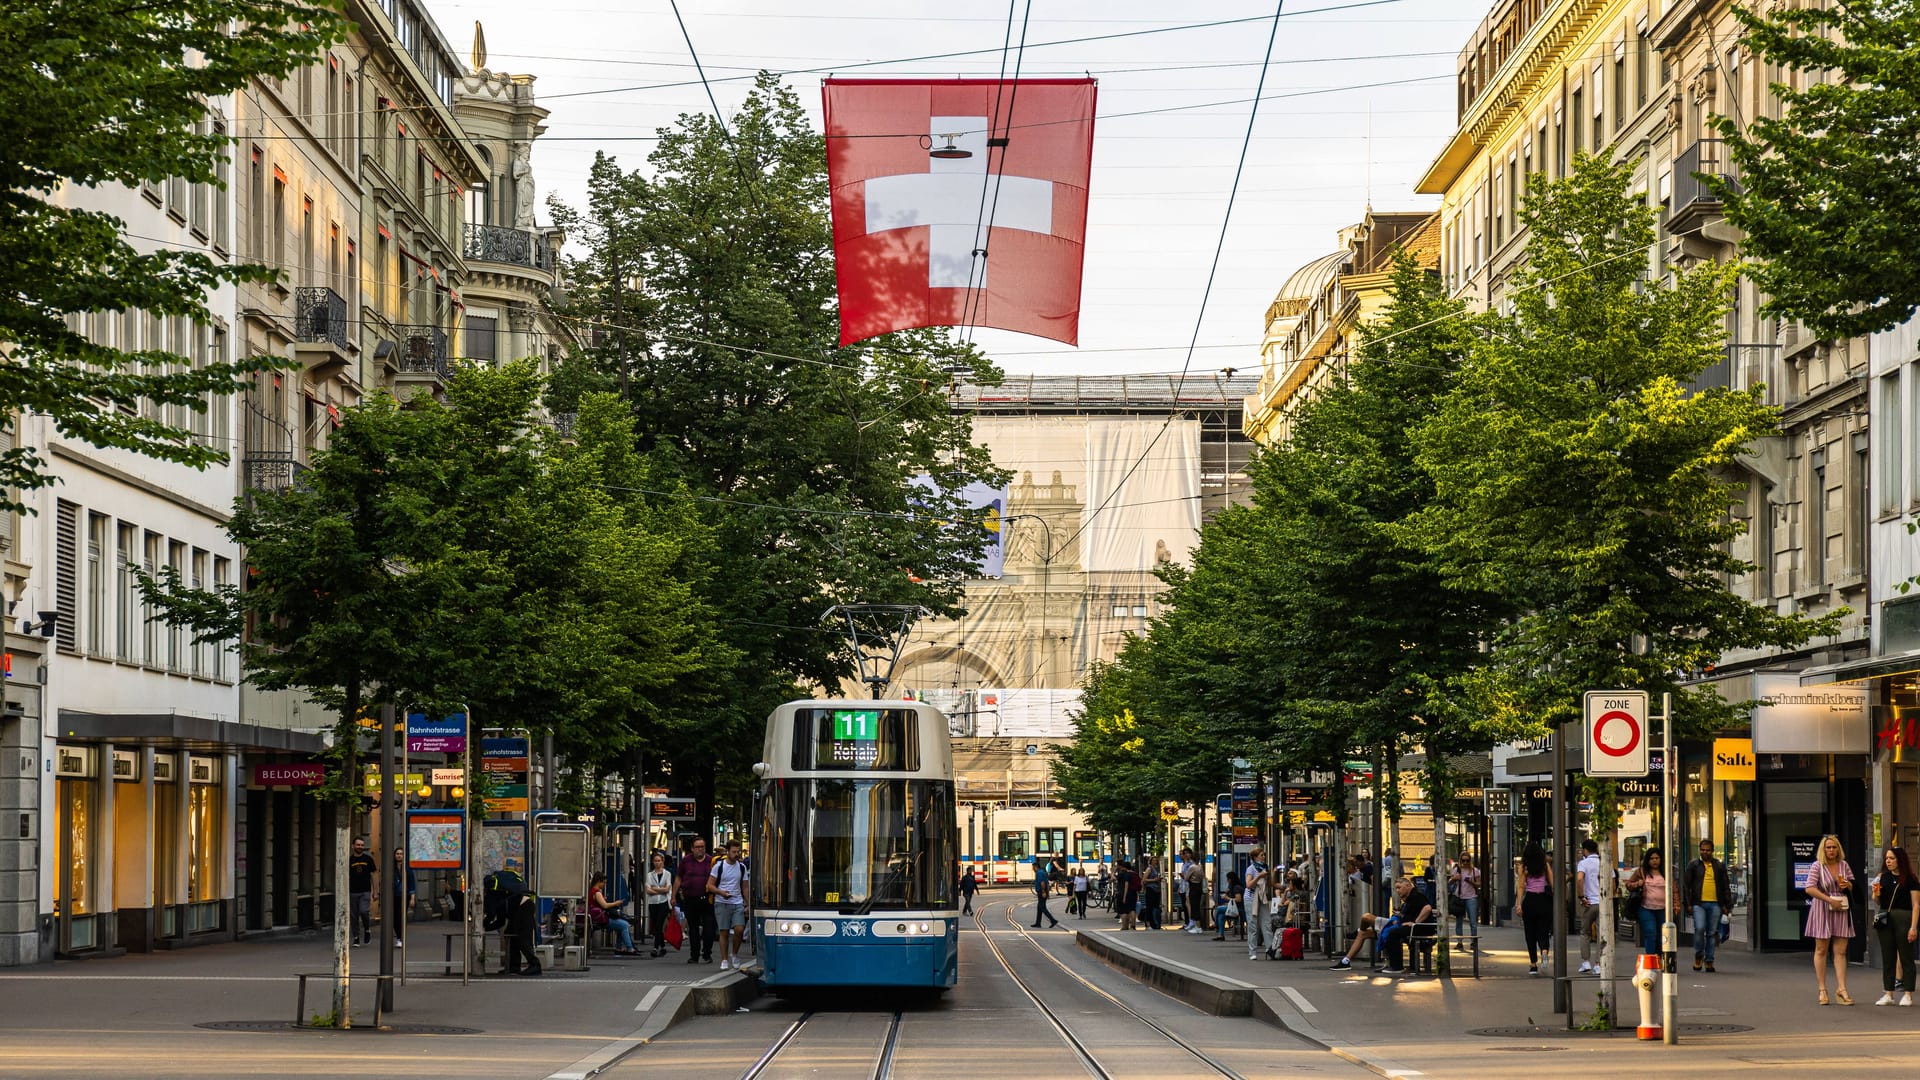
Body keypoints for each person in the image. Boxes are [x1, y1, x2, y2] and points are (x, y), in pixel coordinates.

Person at [1804, 834, 1856, 1005]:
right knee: (1821, 950)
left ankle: (1842, 989)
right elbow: (1809, 889)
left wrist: (1847, 885)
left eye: (1834, 847)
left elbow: (1852, 885)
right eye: (1828, 847)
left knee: (1841, 951)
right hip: (1823, 908)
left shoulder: (1844, 865)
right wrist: (1828, 899)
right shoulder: (1817, 866)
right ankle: (1822, 989)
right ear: (1823, 849)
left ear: (1838, 849)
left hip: (1841, 908)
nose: (1831, 850)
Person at [1872, 846, 1919, 1006]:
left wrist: (1913, 927)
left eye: (1892, 858)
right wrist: (1875, 893)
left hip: (1904, 917)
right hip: (1886, 918)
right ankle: (1888, 992)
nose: (1888, 861)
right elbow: (1878, 901)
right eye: (1887, 858)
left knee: (1906, 956)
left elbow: (1916, 904)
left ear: (1900, 860)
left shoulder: (1911, 879)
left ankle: (1908, 993)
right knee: (1888, 956)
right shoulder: (1882, 877)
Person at [483, 866, 540, 976]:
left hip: (523, 908)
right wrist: (485, 927)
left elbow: (491, 915)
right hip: (524, 906)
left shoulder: (492, 896)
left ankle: (535, 965)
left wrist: (482, 926)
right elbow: (501, 921)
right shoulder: (501, 894)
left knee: (522, 937)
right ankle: (513, 967)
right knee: (510, 933)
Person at [1685, 839, 1732, 973]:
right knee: (1699, 929)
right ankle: (1699, 954)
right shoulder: (1693, 865)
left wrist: (1727, 905)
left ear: (1712, 851)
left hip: (1715, 903)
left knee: (1712, 933)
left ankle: (1709, 960)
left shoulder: (1719, 866)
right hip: (1698, 903)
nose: (1705, 852)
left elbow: (1725, 886)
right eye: (1702, 850)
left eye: (1707, 850)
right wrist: (1688, 904)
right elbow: (1686, 886)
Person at [1380, 876, 1435, 975]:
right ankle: (1391, 963)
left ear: (1408, 885)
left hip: (1422, 928)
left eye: (1399, 887)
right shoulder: (1409, 898)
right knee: (1390, 931)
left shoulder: (1416, 896)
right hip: (1416, 927)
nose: (1397, 891)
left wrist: (1415, 922)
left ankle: (1397, 966)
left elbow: (1427, 908)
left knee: (1392, 934)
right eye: (1396, 888)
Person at [675, 838, 717, 964]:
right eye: (697, 847)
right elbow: (678, 878)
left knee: (709, 927)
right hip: (690, 899)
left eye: (702, 847)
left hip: (707, 899)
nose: (700, 849)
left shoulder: (711, 861)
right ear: (692, 848)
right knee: (693, 928)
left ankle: (707, 953)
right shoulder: (686, 861)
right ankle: (694, 955)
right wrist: (673, 896)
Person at [710, 840, 749, 970]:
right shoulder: (719, 867)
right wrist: (721, 892)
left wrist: (748, 903)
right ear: (727, 851)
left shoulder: (742, 867)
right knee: (724, 932)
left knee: (739, 929)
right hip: (722, 902)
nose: (737, 854)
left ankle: (734, 954)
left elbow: (745, 887)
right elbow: (710, 885)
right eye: (734, 852)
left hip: (737, 901)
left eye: (738, 852)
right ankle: (724, 959)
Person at [1625, 847, 1667, 959]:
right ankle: (1650, 960)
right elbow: (1628, 885)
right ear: (1647, 860)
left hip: (1663, 909)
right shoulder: (1641, 872)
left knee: (1661, 937)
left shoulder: (1667, 871)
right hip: (1646, 907)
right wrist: (1638, 884)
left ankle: (1659, 959)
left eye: (1657, 858)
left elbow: (1675, 890)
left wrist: (1676, 906)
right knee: (1651, 933)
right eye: (1652, 858)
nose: (1654, 861)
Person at [1519, 841, 1553, 975]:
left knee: (1530, 933)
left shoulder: (1524, 867)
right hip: (1544, 900)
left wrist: (1518, 904)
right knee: (1543, 930)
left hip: (1530, 900)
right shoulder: (1545, 866)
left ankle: (1533, 964)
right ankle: (1544, 951)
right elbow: (1552, 883)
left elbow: (1521, 886)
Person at [589, 871, 637, 955]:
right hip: (601, 919)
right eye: (603, 883)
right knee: (624, 925)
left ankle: (619, 947)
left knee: (620, 926)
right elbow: (605, 906)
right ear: (598, 881)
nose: (604, 885)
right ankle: (630, 948)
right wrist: (616, 903)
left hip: (595, 917)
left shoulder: (591, 891)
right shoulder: (597, 892)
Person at [1575, 839, 1603, 974]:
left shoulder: (1583, 863)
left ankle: (1586, 962)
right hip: (1602, 903)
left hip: (1589, 903)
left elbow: (1580, 879)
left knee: (1585, 932)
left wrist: (1581, 897)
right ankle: (1599, 964)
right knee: (1601, 934)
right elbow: (1613, 882)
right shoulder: (1604, 862)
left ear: (1585, 850)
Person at [347, 838, 377, 947]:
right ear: (353, 846)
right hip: (352, 891)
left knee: (364, 911)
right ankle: (356, 937)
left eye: (362, 845)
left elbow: (373, 875)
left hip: (365, 891)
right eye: (358, 845)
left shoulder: (368, 859)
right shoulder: (349, 860)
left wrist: (375, 891)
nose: (360, 847)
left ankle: (367, 929)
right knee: (353, 916)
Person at [643, 850, 673, 956]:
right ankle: (663, 946)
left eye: (659, 861)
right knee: (656, 925)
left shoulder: (667, 874)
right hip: (653, 903)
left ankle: (655, 948)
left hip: (664, 902)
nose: (657, 863)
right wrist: (660, 889)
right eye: (655, 861)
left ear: (663, 862)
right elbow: (648, 890)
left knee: (659, 924)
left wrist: (655, 889)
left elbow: (667, 889)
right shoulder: (650, 875)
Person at [1449, 853, 1481, 948]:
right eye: (1463, 860)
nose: (1465, 862)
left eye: (1467, 860)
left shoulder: (1475, 871)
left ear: (1470, 861)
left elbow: (1479, 884)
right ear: (1460, 860)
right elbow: (1449, 882)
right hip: (1459, 898)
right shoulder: (1456, 870)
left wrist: (1471, 881)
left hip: (1471, 898)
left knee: (1473, 922)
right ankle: (1459, 942)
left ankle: (1473, 942)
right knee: (1459, 921)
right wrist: (1454, 878)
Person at [1244, 849, 1271, 959]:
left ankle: (1270, 949)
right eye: (1261, 855)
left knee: (1267, 923)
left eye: (1264, 855)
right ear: (1255, 857)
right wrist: (1259, 876)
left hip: (1262, 897)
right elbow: (1249, 884)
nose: (1264, 857)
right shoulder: (1251, 869)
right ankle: (1252, 952)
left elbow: (1269, 884)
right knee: (1252, 925)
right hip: (1251, 898)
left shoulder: (1265, 868)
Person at [390, 847, 415, 950]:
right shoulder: (391, 867)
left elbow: (412, 884)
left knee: (401, 917)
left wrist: (412, 898)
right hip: (393, 896)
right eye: (397, 854)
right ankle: (399, 936)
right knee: (394, 918)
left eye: (401, 854)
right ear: (394, 855)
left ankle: (400, 938)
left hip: (404, 896)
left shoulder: (408, 868)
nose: (399, 855)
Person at [1032, 856, 1061, 929]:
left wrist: (1044, 892)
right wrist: (1047, 893)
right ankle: (1038, 923)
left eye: (1033, 868)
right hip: (1043, 892)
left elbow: (1042, 883)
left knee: (1043, 908)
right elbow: (1047, 883)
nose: (1032, 869)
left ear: (1036, 867)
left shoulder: (1039, 873)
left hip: (1041, 892)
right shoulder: (1042, 872)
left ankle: (1053, 920)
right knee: (1039, 908)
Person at [1115, 861, 1140, 931]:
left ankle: (1126, 926)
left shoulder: (1126, 874)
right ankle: (1133, 925)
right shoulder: (1135, 874)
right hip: (1134, 893)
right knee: (1132, 909)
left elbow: (1126, 885)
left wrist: (1124, 897)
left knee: (1125, 910)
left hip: (1127, 893)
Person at [1142, 857, 1164, 930]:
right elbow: (1144, 880)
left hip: (1156, 890)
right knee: (1149, 907)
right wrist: (1153, 880)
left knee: (1156, 907)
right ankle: (1148, 924)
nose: (1155, 862)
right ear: (1150, 861)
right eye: (1153, 860)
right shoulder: (1149, 869)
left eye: (1156, 860)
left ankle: (1155, 923)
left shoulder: (1156, 869)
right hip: (1150, 889)